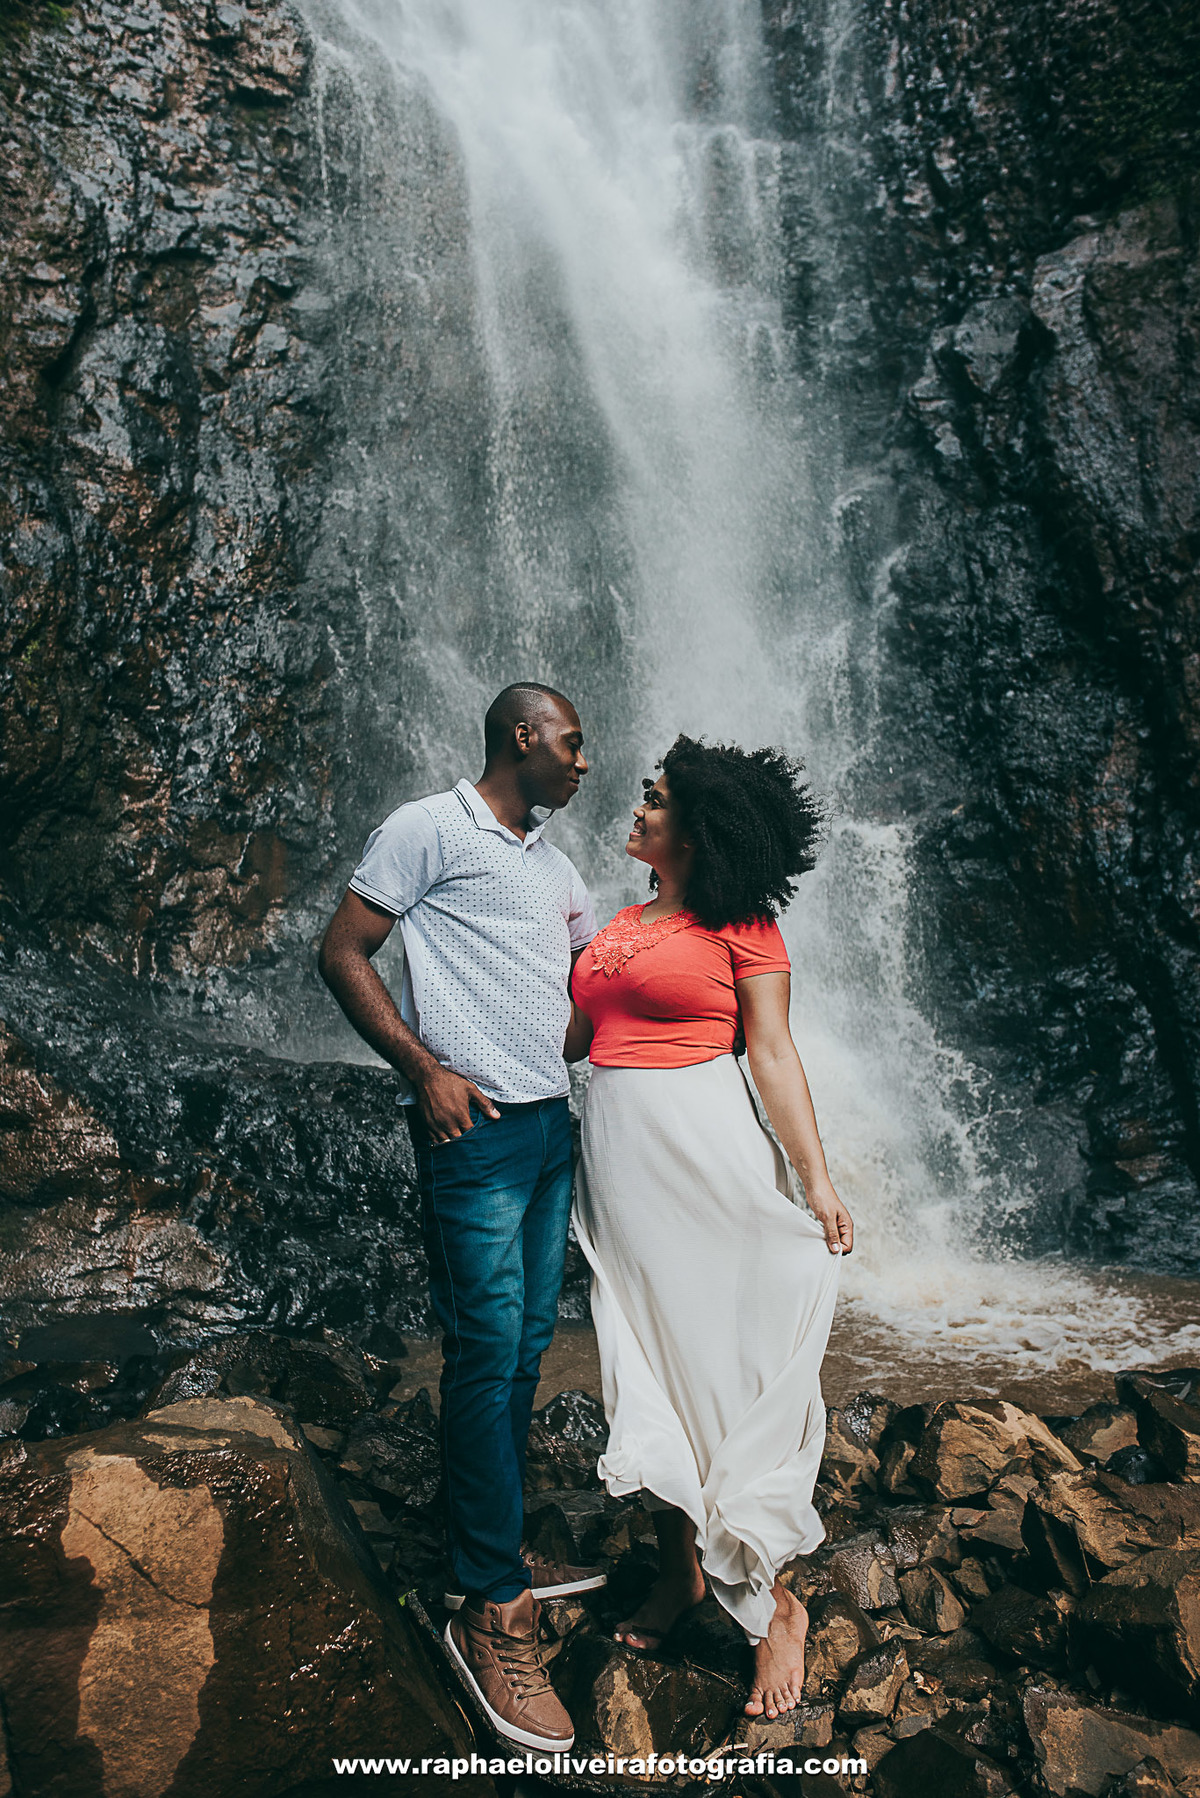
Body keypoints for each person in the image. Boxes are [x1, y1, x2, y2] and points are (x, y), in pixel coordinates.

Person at [318, 682, 606, 1754]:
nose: (584, 762)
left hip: (548, 1127)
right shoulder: (426, 828)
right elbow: (341, 950)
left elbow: (579, 1003)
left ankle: (495, 1542)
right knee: (484, 1348)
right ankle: (488, 1606)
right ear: (523, 736)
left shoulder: (556, 867)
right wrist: (424, 1069)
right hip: (473, 1129)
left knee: (525, 1343)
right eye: (572, 742)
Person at [566, 733, 854, 1722]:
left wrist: (817, 1182)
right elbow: (572, 1040)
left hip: (705, 1162)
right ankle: (683, 1571)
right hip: (620, 1172)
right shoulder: (618, 922)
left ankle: (777, 1606)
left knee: (717, 1366)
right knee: (646, 1358)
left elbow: (772, 1055)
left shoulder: (745, 928)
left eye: (655, 797)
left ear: (696, 828)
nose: (637, 806)